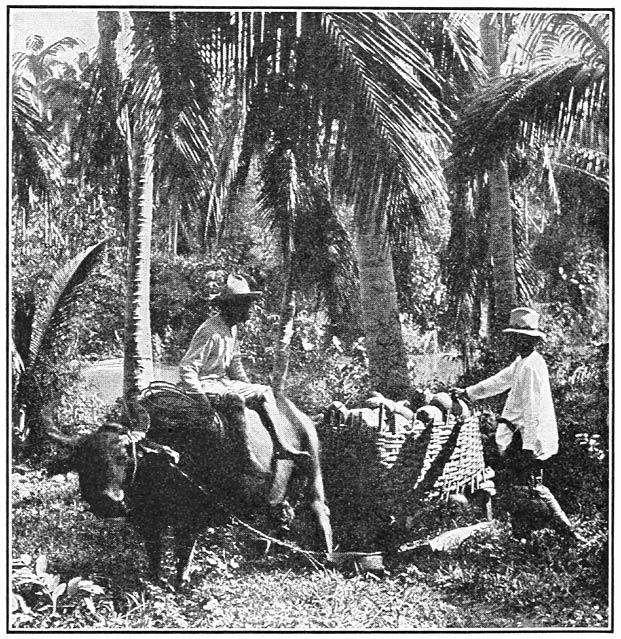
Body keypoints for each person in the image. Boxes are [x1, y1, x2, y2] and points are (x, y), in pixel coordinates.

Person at [453, 307, 583, 543]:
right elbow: (499, 381)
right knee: (516, 488)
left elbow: (533, 411)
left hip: (527, 439)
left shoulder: (532, 366)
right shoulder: (522, 363)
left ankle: (569, 533)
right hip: (519, 437)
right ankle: (522, 537)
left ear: (533, 340)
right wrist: (468, 393)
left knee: (534, 487)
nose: (517, 342)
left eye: (523, 338)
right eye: (515, 338)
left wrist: (528, 447)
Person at [178, 273, 306, 460]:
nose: (250, 309)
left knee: (265, 392)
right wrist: (200, 397)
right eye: (245, 304)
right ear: (231, 306)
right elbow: (188, 367)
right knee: (236, 399)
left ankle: (278, 443)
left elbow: (235, 364)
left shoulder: (232, 328)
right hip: (206, 385)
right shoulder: (209, 331)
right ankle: (246, 452)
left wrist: (249, 387)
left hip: (222, 382)